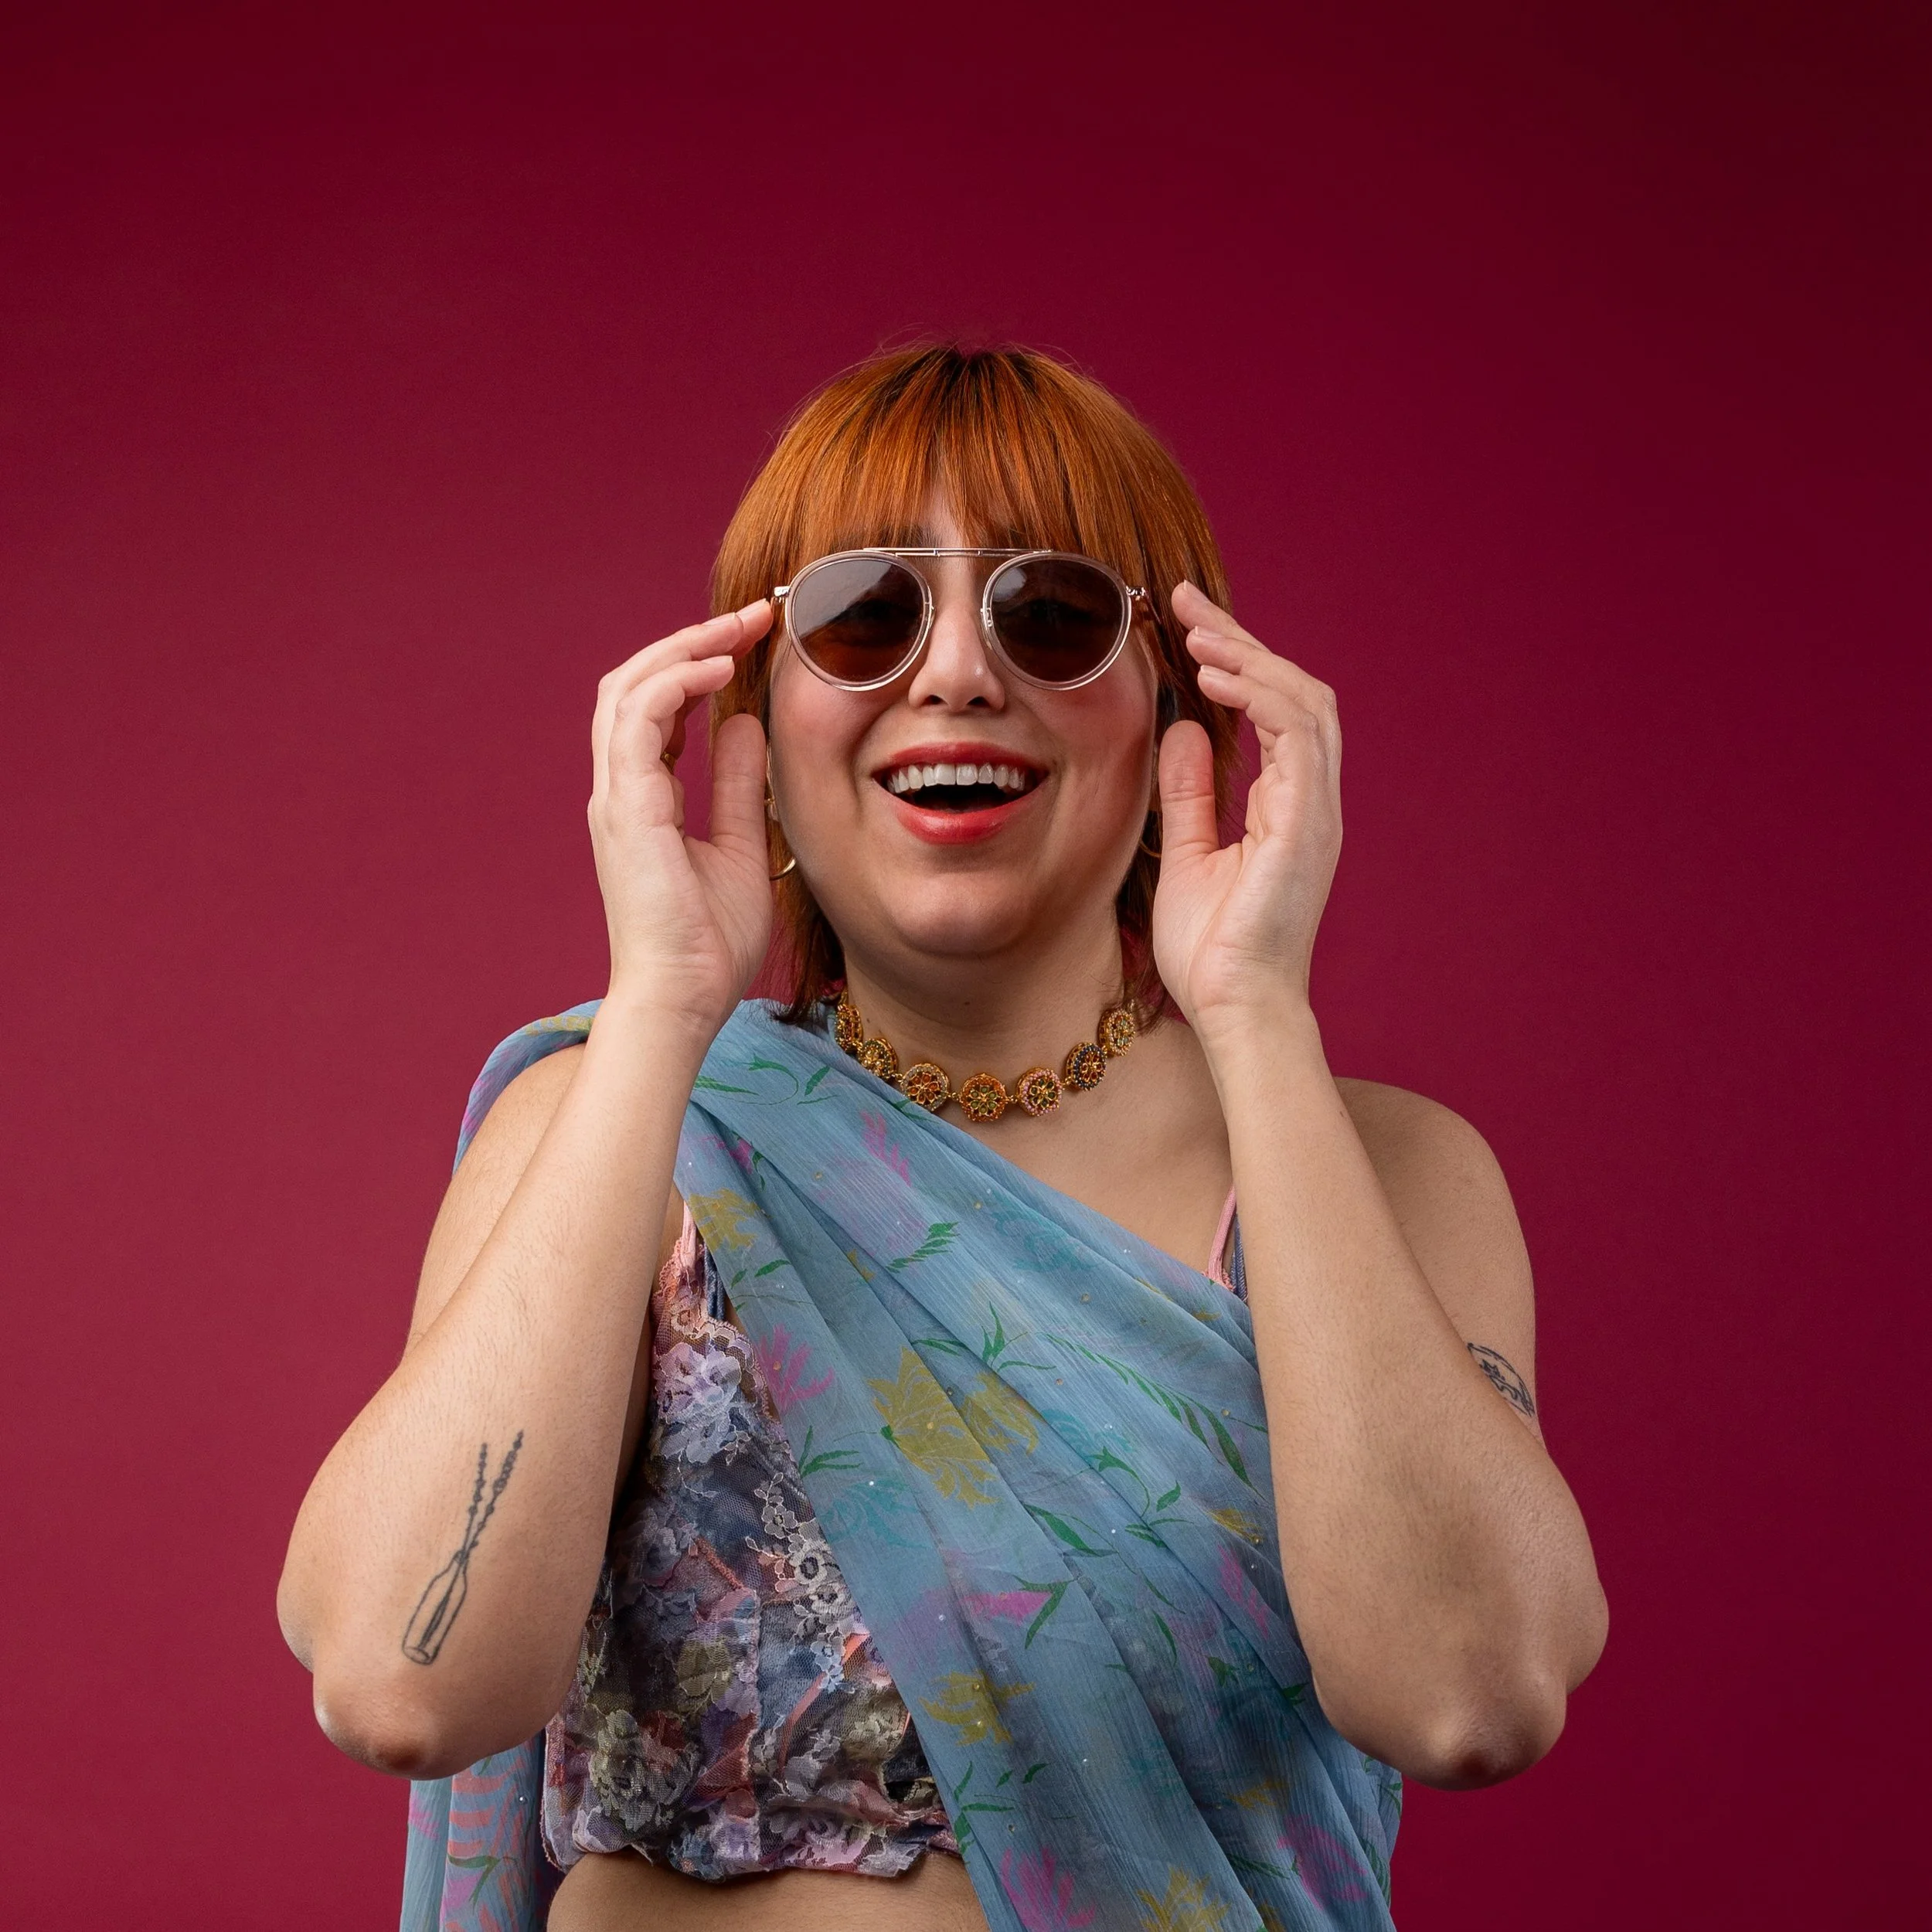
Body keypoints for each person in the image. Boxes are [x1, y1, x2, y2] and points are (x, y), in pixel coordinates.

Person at [278, 345, 1607, 1932]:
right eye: (866, 613)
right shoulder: (615, 1122)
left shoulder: (1378, 1171)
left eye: (1050, 613)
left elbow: (1470, 1695)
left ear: (1181, 711)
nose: (960, 672)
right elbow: (401, 1679)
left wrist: (1257, 1010)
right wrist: (658, 1010)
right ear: (752, 720)